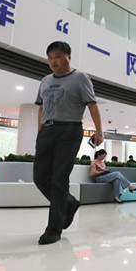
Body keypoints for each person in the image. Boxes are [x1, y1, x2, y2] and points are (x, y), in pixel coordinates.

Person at [33, 41, 103, 245]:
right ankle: (69, 202)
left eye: (57, 56)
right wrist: (40, 129)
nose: (53, 61)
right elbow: (41, 106)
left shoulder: (80, 78)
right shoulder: (45, 80)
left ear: (68, 57)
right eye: (50, 57)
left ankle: (54, 229)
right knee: (39, 177)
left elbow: (92, 104)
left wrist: (99, 131)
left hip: (69, 130)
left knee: (59, 179)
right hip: (47, 131)